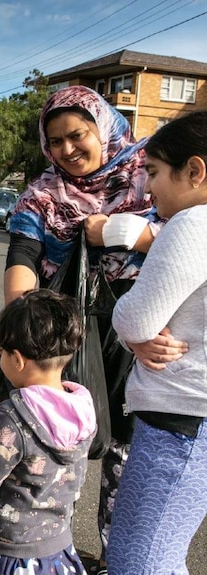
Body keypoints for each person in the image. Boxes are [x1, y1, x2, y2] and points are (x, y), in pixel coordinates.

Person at [2, 85, 182, 574]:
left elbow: (188, 239)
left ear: (102, 127)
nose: (67, 150)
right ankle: (51, 546)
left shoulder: (151, 172)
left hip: (141, 331)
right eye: (55, 141)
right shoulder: (43, 194)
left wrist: (129, 233)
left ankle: (112, 555)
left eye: (77, 135)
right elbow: (23, 254)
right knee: (61, 443)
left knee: (123, 448)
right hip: (68, 333)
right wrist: (24, 326)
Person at [106, 111, 207, 575]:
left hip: (180, 420)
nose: (147, 190)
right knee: (163, 552)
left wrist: (131, 329)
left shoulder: (192, 224)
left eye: (153, 172)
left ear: (195, 170)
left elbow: (134, 318)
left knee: (138, 559)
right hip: (194, 422)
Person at [0, 289, 96, 575]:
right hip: (58, 548)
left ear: (16, 360)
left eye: (2, 352)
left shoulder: (14, 417)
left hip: (13, 554)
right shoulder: (81, 408)